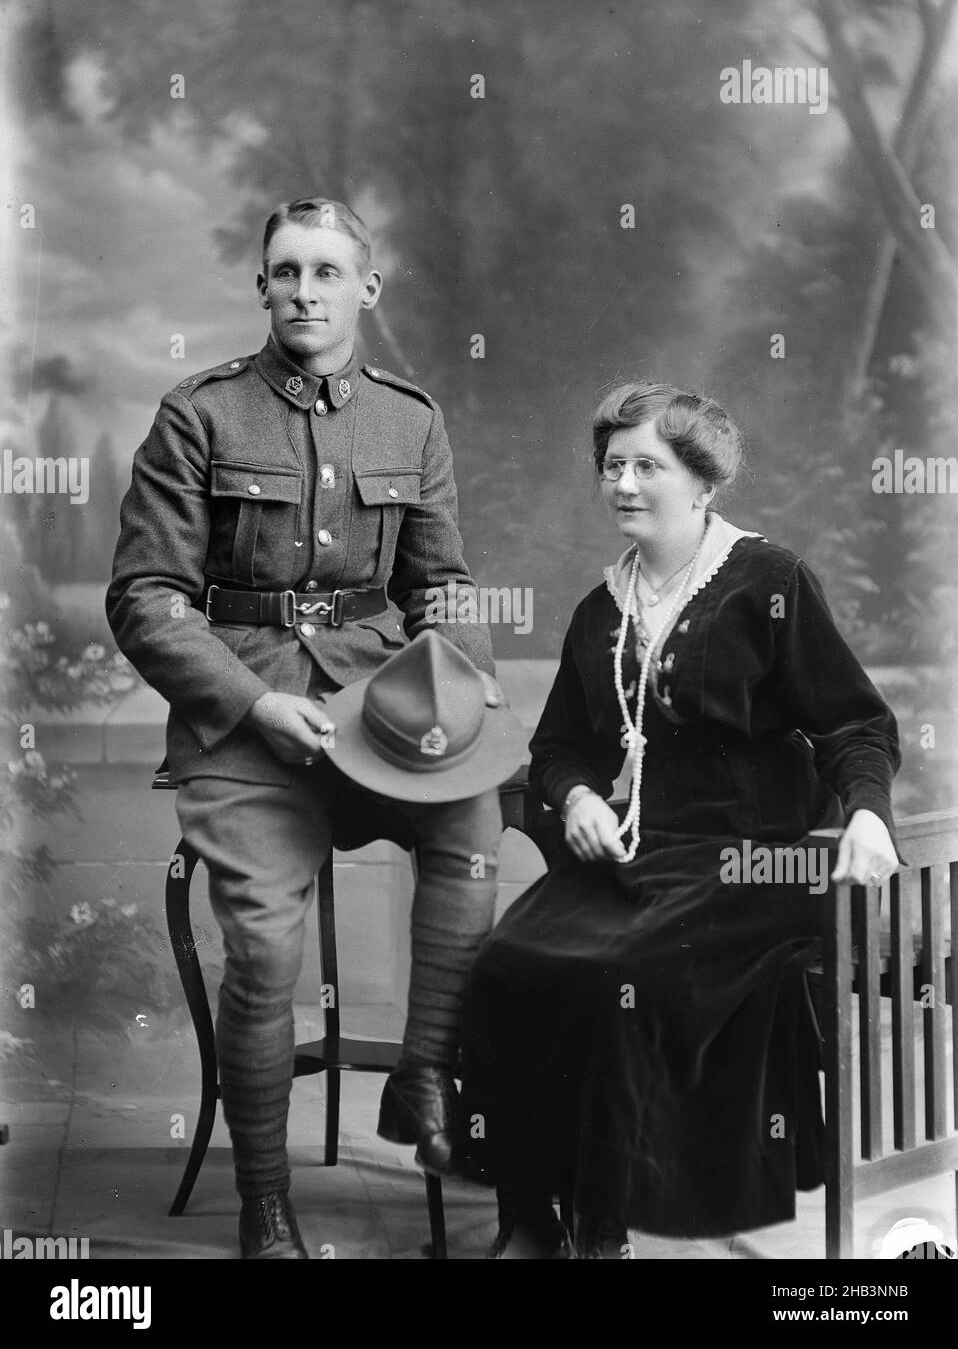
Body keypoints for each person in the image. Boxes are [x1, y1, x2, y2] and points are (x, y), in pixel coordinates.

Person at [106, 196, 509, 1259]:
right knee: (268, 950)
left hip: (373, 707)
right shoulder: (200, 413)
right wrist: (250, 702)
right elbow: (145, 596)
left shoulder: (409, 419)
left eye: (327, 273)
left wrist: (461, 678)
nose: (305, 292)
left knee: (471, 822)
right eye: (286, 272)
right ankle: (266, 1202)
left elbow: (443, 585)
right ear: (263, 287)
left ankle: (423, 1073)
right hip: (243, 718)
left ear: (365, 289)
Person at [454, 381, 901, 1259]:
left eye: (646, 466)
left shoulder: (768, 584)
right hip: (642, 850)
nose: (623, 482)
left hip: (757, 860)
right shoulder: (599, 611)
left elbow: (854, 724)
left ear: (702, 483)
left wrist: (870, 817)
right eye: (613, 465)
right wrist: (579, 796)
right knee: (507, 960)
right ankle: (529, 1212)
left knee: (613, 980)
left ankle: (603, 1227)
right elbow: (557, 749)